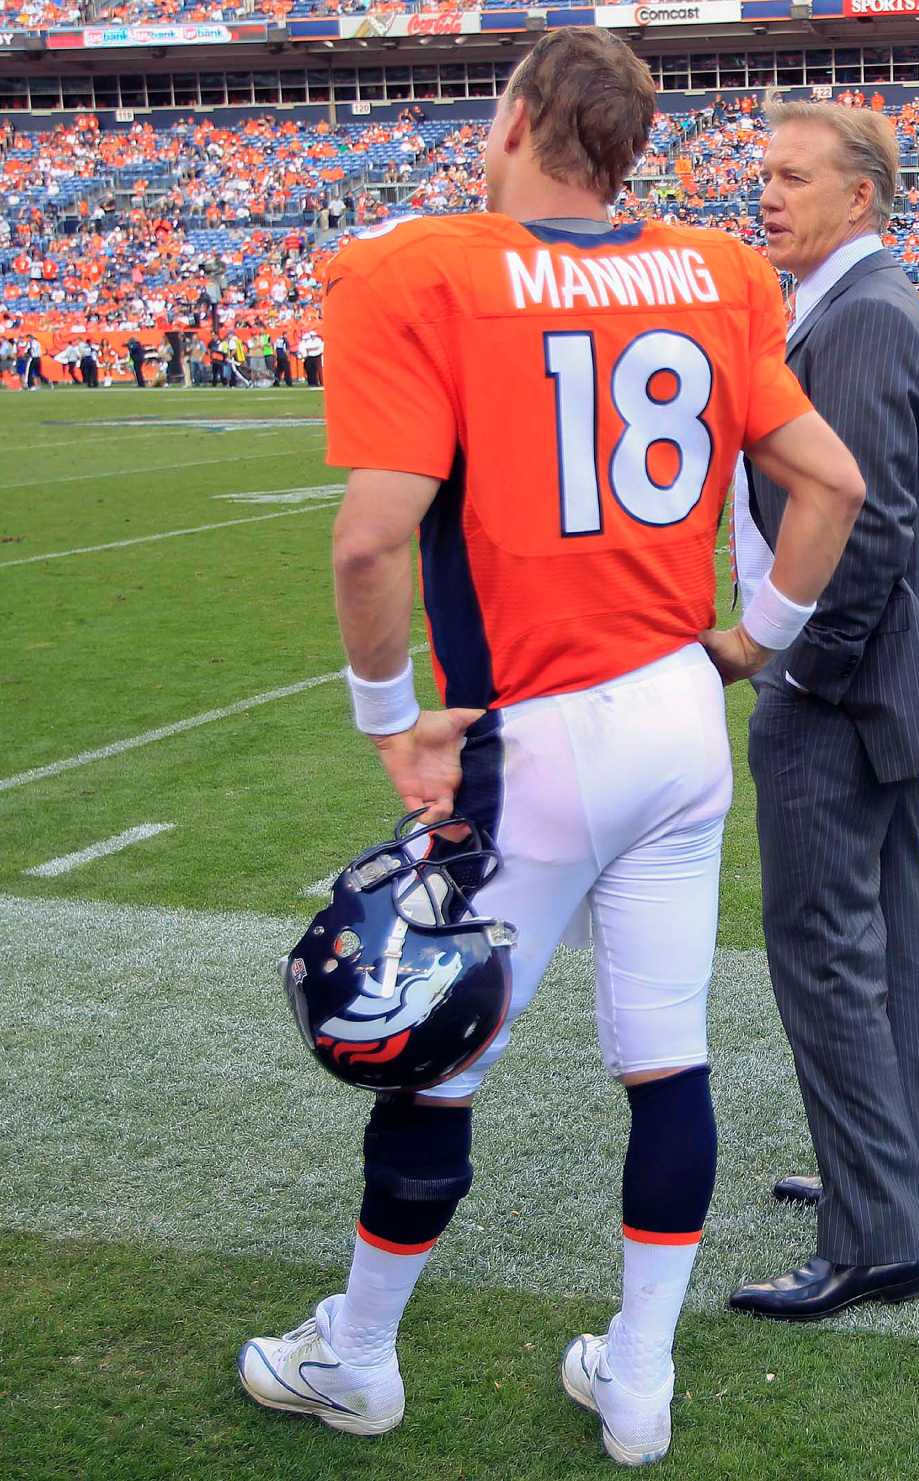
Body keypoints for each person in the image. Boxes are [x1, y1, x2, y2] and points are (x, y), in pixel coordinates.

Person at [233, 29, 866, 1467]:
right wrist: (757, 637)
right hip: (678, 717)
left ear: (518, 115)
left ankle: (361, 1355)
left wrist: (392, 724)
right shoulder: (718, 272)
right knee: (669, 1057)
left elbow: (371, 536)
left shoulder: (430, 270)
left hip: (539, 733)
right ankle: (637, 1380)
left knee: (431, 1054)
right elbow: (832, 481)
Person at [731, 100, 919, 1323]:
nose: (766, 194)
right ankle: (899, 1170)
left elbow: (868, 528)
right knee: (883, 932)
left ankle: (874, 1232)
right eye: (762, 174)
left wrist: (796, 663)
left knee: (827, 950)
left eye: (791, 177)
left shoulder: (866, 314)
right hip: (874, 678)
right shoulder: (852, 301)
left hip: (842, 686)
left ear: (860, 199)